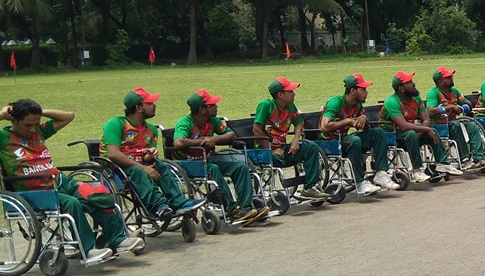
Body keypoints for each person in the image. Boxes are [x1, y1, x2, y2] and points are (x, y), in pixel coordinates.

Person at [1, 100, 143, 262]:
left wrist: (40, 112)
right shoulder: (3, 138)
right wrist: (2, 114)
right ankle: (88, 250)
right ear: (13, 120)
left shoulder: (39, 131)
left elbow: (68, 117)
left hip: (60, 181)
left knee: (98, 193)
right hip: (35, 192)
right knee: (72, 203)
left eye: (36, 123)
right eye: (28, 125)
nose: (33, 129)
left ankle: (119, 240)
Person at [103, 88, 205, 218]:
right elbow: (113, 154)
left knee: (161, 166)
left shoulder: (151, 130)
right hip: (116, 168)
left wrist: (150, 155)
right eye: (150, 103)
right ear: (139, 107)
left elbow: (145, 157)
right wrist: (143, 167)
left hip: (140, 165)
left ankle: (179, 203)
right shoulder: (116, 124)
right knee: (137, 171)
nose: (155, 106)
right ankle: (158, 206)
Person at [172, 90, 268, 225]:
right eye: (212, 105)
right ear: (202, 109)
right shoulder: (185, 122)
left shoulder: (212, 120)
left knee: (240, 166)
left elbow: (231, 135)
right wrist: (201, 142)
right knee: (214, 168)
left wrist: (215, 138)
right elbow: (179, 142)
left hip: (209, 159)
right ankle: (231, 208)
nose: (216, 106)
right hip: (189, 163)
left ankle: (245, 207)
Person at [252, 76, 327, 201]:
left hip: (283, 148)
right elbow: (256, 129)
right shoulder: (266, 105)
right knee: (276, 155)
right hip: (265, 152)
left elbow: (299, 122)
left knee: (311, 148)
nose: (294, 94)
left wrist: (295, 141)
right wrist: (270, 151)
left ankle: (309, 188)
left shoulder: (290, 106)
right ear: (280, 94)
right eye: (290, 91)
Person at [320, 73, 395, 196]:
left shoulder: (358, 105)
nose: (366, 92)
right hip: (329, 142)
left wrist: (364, 117)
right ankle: (360, 183)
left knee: (378, 132)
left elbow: (362, 125)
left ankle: (381, 173)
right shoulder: (335, 102)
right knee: (354, 140)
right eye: (363, 89)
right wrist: (348, 121)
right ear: (353, 90)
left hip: (344, 139)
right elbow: (324, 126)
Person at [382, 70, 461, 182]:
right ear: (401, 88)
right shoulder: (392, 101)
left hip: (411, 133)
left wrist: (423, 131)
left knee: (431, 131)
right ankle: (417, 170)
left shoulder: (416, 99)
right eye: (409, 82)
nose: (413, 84)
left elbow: (426, 119)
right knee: (412, 134)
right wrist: (425, 129)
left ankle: (443, 163)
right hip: (391, 135)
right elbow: (403, 125)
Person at [424, 67, 485, 170]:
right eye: (448, 77)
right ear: (440, 81)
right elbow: (430, 111)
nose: (452, 78)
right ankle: (464, 159)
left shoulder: (454, 91)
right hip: (439, 125)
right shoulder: (433, 93)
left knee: (472, 126)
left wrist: (462, 108)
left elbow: (468, 103)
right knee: (456, 125)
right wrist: (449, 108)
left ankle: (479, 158)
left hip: (452, 122)